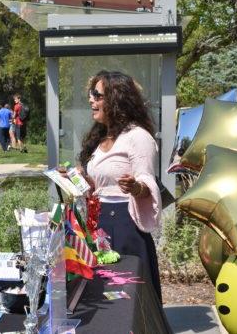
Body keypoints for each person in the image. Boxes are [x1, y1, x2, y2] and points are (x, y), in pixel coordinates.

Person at [78, 70, 162, 300]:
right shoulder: (100, 138)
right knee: (104, 297)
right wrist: (79, 180)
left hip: (126, 226)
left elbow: (147, 181)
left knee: (129, 297)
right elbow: (99, 186)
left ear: (117, 99)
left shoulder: (138, 136)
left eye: (97, 94)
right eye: (90, 93)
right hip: (100, 224)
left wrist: (136, 188)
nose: (91, 99)